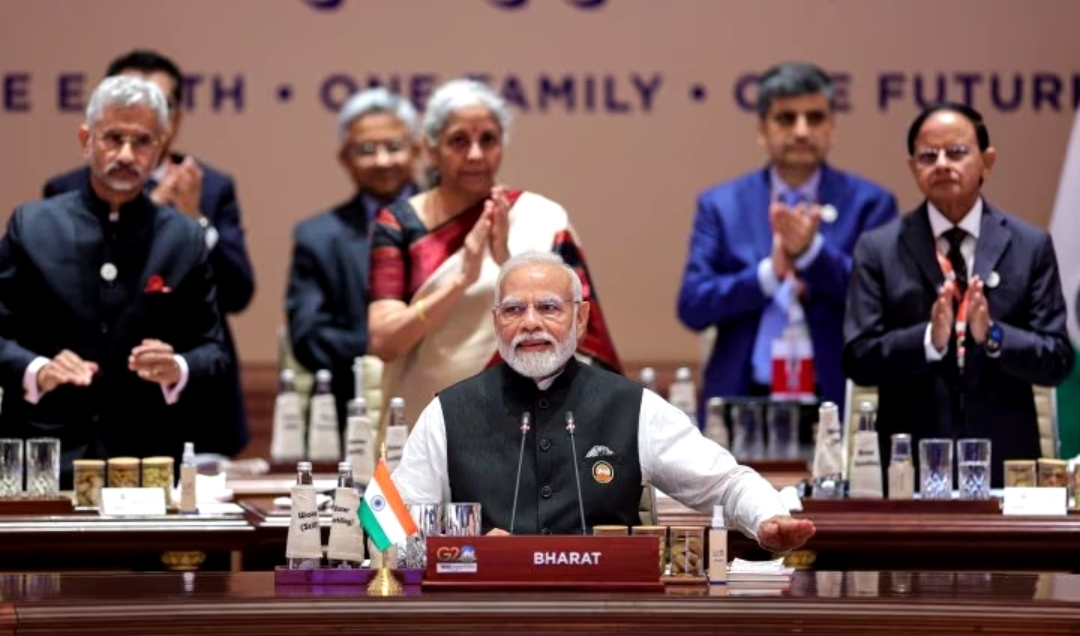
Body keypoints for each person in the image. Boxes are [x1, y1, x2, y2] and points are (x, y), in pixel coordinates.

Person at [393, 251, 815, 549]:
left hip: (604, 616)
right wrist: (467, 547)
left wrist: (766, 518)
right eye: (514, 310)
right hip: (487, 618)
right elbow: (392, 527)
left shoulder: (632, 406)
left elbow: (725, 482)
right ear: (496, 321)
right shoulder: (447, 413)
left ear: (580, 318)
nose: (530, 323)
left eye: (548, 307)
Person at [0, 76, 229, 475]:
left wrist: (177, 366)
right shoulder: (32, 225)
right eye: (113, 138)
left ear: (160, 148)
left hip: (146, 459)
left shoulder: (183, 237)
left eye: (142, 141)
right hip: (44, 456)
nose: (126, 154)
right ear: (86, 139)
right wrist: (38, 370)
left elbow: (214, 353)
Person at [843, 103, 1072, 487]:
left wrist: (993, 335)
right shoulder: (878, 249)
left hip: (1007, 464)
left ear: (987, 161)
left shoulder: (1029, 246)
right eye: (928, 156)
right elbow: (857, 358)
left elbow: (1058, 359)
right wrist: (928, 341)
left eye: (956, 152)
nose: (942, 164)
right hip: (908, 469)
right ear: (913, 167)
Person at [368, 79, 621, 428]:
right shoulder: (399, 224)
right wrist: (461, 280)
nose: (475, 154)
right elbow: (385, 342)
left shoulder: (542, 218)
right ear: (430, 149)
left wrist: (507, 263)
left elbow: (580, 331)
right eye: (459, 140)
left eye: (487, 139)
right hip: (425, 422)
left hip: (525, 422)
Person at [43, 50, 254, 457]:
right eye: (126, 96)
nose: (139, 106)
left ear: (175, 119)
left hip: (188, 402)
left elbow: (238, 292)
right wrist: (146, 216)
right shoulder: (63, 191)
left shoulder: (210, 186)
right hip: (88, 397)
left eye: (158, 101)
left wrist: (194, 220)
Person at [677, 63, 897, 413]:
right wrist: (768, 274)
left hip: (834, 403)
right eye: (786, 118)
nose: (801, 131)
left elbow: (883, 300)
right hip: (741, 402)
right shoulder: (721, 204)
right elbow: (692, 305)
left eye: (815, 118)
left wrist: (812, 255)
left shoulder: (870, 204)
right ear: (761, 130)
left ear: (833, 126)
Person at [286, 88, 422, 430]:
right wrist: (386, 343)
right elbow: (308, 337)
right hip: (351, 416)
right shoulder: (317, 237)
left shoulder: (456, 222)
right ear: (344, 157)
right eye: (366, 150)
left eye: (394, 146)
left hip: (445, 404)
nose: (382, 160)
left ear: (417, 149)